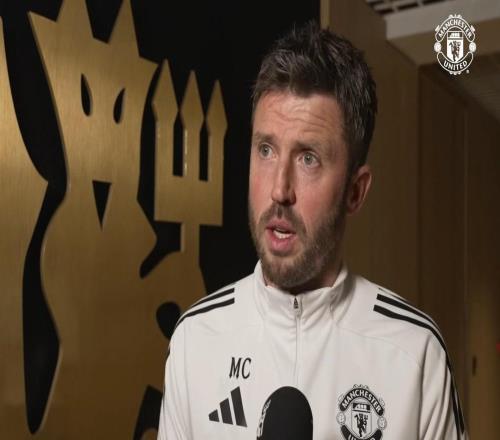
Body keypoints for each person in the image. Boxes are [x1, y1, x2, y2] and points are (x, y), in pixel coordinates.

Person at [157, 22, 467, 440]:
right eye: (266, 150)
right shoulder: (195, 341)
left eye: (308, 159)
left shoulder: (415, 354)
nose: (279, 190)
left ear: (355, 191)